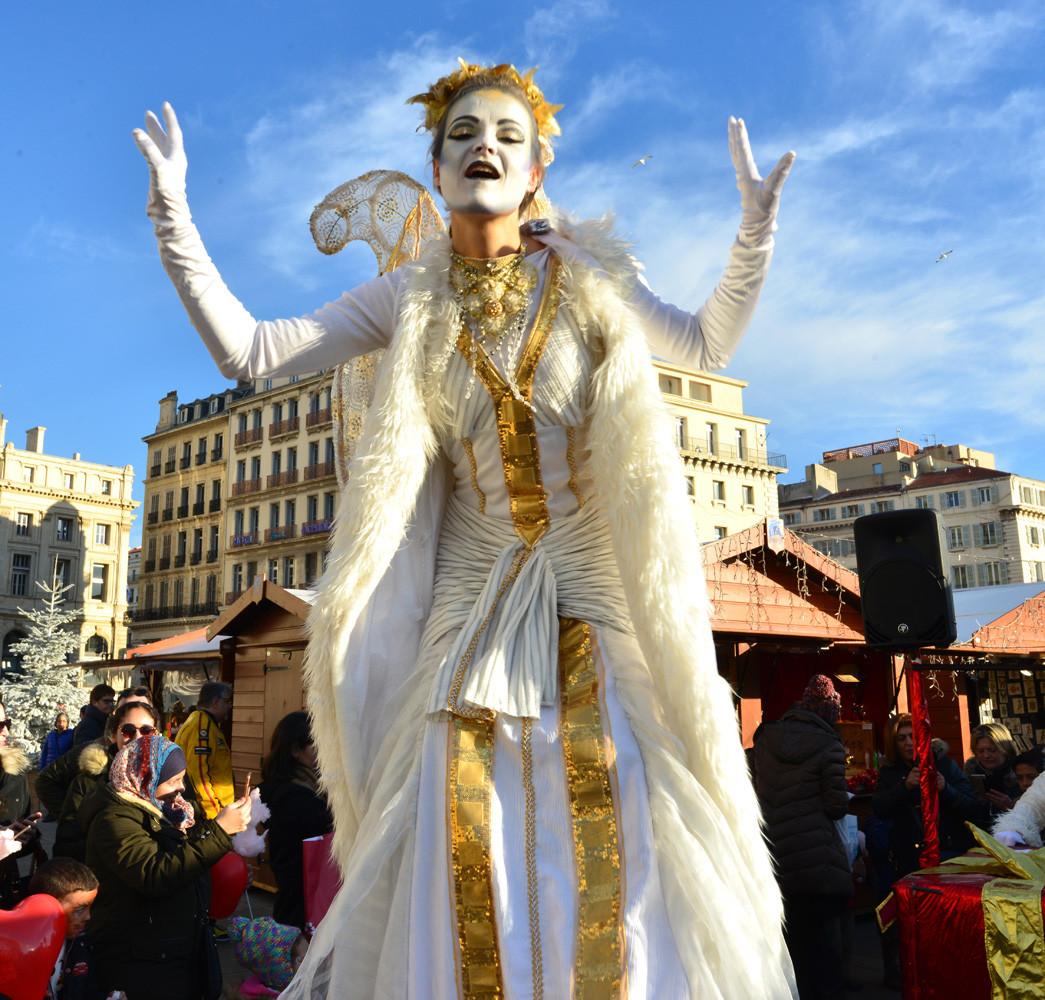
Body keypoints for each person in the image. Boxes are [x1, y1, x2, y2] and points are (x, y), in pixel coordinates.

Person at [135, 60, 797, 999]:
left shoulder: (589, 278)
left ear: (534, 171)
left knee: (627, 836)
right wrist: (174, 217)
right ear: (438, 166)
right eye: (461, 133)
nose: (483, 143)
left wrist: (754, 231)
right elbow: (251, 349)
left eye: (507, 134)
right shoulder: (409, 295)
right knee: (457, 833)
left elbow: (701, 344)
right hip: (470, 608)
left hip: (592, 600)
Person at [80, 733, 252, 1000]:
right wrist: (219, 831)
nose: (180, 788)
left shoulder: (169, 811)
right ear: (146, 779)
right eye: (172, 780)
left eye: (182, 778)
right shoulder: (114, 819)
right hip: (139, 960)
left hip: (169, 949)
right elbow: (154, 874)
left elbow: (184, 860)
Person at [751, 674, 852, 1000]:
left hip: (772, 855)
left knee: (788, 944)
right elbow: (836, 806)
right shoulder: (830, 746)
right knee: (823, 949)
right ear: (830, 713)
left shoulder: (767, 738)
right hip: (815, 860)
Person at [872, 714, 979, 990]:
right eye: (902, 738)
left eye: (914, 736)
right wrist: (904, 786)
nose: (909, 743)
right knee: (910, 923)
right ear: (893, 743)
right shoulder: (890, 771)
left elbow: (972, 808)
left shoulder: (945, 764)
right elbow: (880, 808)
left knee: (947, 922)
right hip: (909, 856)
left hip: (948, 853)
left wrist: (946, 789)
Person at [38, 702, 160, 862]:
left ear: (155, 734)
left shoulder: (170, 778)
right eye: (128, 730)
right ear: (113, 734)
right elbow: (64, 848)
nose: (137, 737)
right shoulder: (88, 782)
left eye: (146, 730)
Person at [257, 712, 333, 931]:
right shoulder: (294, 797)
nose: (322, 753)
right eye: (315, 747)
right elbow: (327, 825)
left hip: (300, 897)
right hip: (302, 902)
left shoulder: (296, 787)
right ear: (295, 750)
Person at [27, 857, 128, 1000]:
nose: (88, 917)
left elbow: (86, 992)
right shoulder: (21, 950)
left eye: (89, 908)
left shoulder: (81, 946)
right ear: (47, 907)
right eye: (79, 910)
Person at [0, 698, 43, 906]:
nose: (6, 732)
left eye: (6, 724)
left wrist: (23, 835)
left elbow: (20, 847)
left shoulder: (11, 772)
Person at [175, 681, 234, 819]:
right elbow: (199, 775)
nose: (230, 705)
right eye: (227, 700)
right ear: (216, 702)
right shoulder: (201, 726)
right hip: (208, 815)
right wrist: (213, 815)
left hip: (221, 811)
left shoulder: (209, 724)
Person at [964, 721, 1019, 822]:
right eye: (980, 751)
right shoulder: (969, 775)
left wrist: (1012, 807)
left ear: (1005, 749)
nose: (986, 756)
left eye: (992, 750)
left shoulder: (1022, 775)